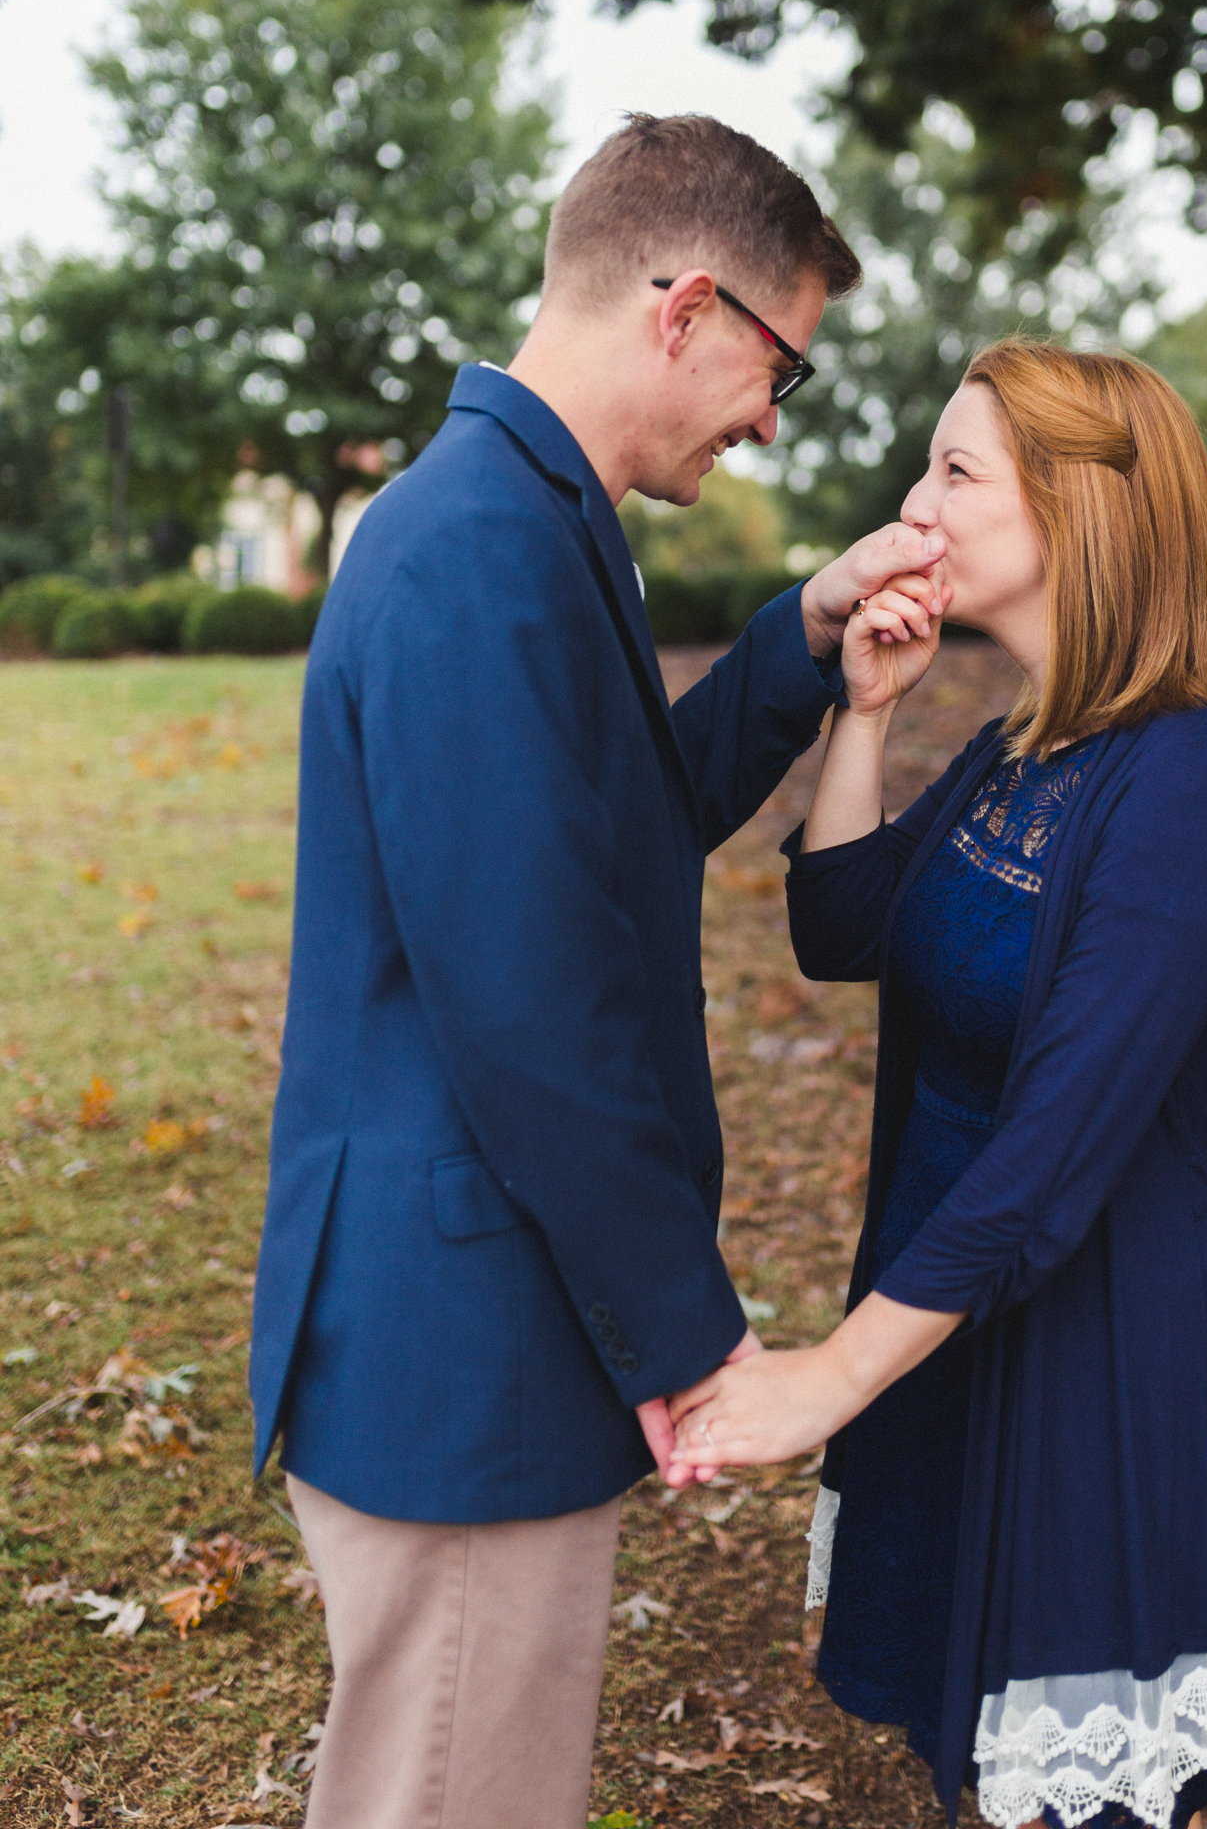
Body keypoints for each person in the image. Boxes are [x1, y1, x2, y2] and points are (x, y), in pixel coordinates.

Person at [248, 113, 948, 1829]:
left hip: (462, 1307)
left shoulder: (526, 514)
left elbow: (611, 824)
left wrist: (799, 632)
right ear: (686, 304)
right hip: (463, 1344)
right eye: (777, 365)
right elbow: (533, 1010)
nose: (771, 416)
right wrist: (689, 1339)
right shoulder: (481, 547)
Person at [666, 339, 1207, 1829]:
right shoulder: (1028, 741)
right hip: (938, 1314)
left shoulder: (1195, 783)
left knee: (1064, 1789)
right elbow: (838, 929)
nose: (913, 503)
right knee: (963, 1756)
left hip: (1086, 1350)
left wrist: (824, 1379)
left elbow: (1051, 1158)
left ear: (1083, 514)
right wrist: (867, 712)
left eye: (955, 470)